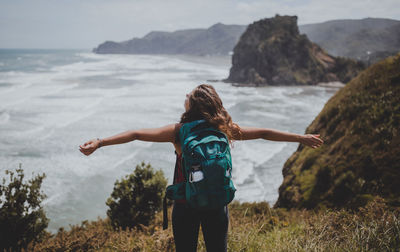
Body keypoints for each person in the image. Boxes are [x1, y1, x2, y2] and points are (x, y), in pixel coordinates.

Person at [79, 84, 323, 252]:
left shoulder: (178, 132)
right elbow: (264, 132)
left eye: (189, 95)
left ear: (193, 104)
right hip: (217, 203)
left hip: (186, 205)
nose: (185, 96)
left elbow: (135, 134)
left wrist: (100, 142)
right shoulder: (224, 128)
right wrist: (300, 138)